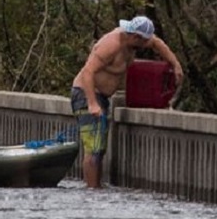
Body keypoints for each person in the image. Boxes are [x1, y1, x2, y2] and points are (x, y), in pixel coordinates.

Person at [71, 15, 183, 188]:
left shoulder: (136, 40)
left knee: (99, 149)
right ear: (135, 36)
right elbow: (87, 72)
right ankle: (91, 192)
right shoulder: (111, 45)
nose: (145, 45)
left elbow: (157, 43)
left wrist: (175, 64)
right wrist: (92, 103)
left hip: (102, 97)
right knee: (93, 148)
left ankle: (95, 188)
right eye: (143, 41)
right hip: (86, 94)